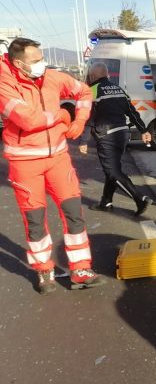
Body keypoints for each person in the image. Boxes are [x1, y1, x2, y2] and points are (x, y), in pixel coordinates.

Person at [0, 38, 105, 294]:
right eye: (35, 61)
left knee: (73, 213)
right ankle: (44, 271)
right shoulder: (4, 84)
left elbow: (84, 92)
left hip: (58, 159)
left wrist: (80, 120)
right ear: (18, 63)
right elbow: (29, 120)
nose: (41, 65)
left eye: (42, 58)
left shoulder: (53, 77)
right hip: (25, 163)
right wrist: (64, 115)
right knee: (35, 220)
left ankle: (80, 269)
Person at [78, 62, 152, 216]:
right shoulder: (119, 90)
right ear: (107, 75)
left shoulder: (91, 91)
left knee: (112, 172)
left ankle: (139, 198)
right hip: (123, 135)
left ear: (92, 76)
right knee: (113, 171)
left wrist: (83, 141)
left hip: (107, 136)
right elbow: (132, 112)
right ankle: (106, 202)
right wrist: (143, 130)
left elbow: (88, 119)